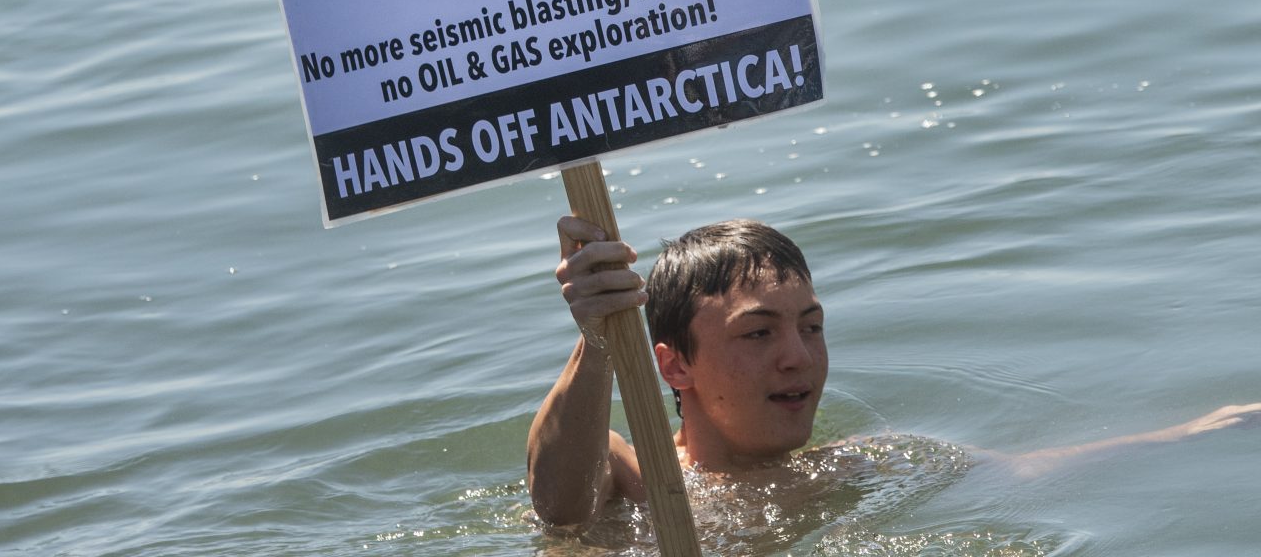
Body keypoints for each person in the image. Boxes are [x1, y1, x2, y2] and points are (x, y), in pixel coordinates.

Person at [526, 214, 1261, 531]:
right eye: (759, 333)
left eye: (812, 327)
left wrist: (1188, 435)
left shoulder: (850, 470)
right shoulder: (637, 473)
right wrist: (596, 341)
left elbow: (1025, 473)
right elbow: (559, 506)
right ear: (673, 364)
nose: (799, 357)